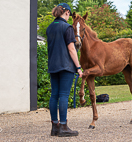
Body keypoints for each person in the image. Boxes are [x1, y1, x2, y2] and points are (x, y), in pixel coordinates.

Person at [46, 3, 83, 137]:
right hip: (66, 66)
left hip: (53, 66)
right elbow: (71, 49)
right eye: (69, 14)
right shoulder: (67, 27)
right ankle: (63, 127)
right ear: (67, 12)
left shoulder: (49, 28)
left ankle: (54, 126)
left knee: (54, 95)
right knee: (63, 95)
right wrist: (78, 67)